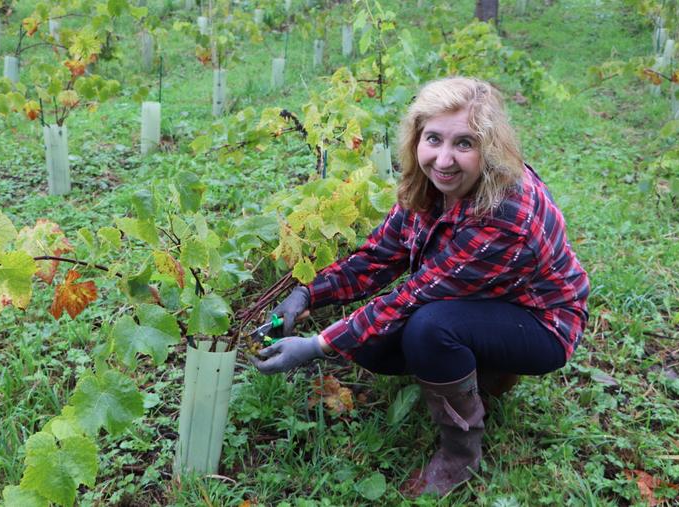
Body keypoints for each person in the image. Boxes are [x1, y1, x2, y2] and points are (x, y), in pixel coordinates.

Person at [250, 76, 589, 497]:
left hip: (541, 323)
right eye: (433, 139)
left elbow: (415, 295)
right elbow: (379, 256)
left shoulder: (506, 213)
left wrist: (317, 345)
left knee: (428, 328)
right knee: (372, 344)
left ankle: (460, 454)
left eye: (464, 144)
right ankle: (480, 371)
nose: (444, 159)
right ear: (416, 138)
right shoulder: (429, 186)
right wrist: (307, 293)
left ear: (489, 148)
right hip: (486, 297)